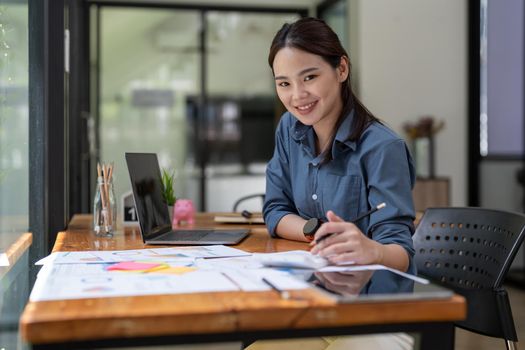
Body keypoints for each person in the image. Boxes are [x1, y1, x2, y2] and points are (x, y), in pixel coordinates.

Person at [263, 17, 416, 275]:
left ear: (341, 69)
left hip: (371, 295)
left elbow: (401, 252)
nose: (297, 95)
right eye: (284, 83)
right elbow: (275, 211)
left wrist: (373, 250)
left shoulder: (382, 147)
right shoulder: (289, 128)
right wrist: (316, 231)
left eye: (309, 77)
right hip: (316, 280)